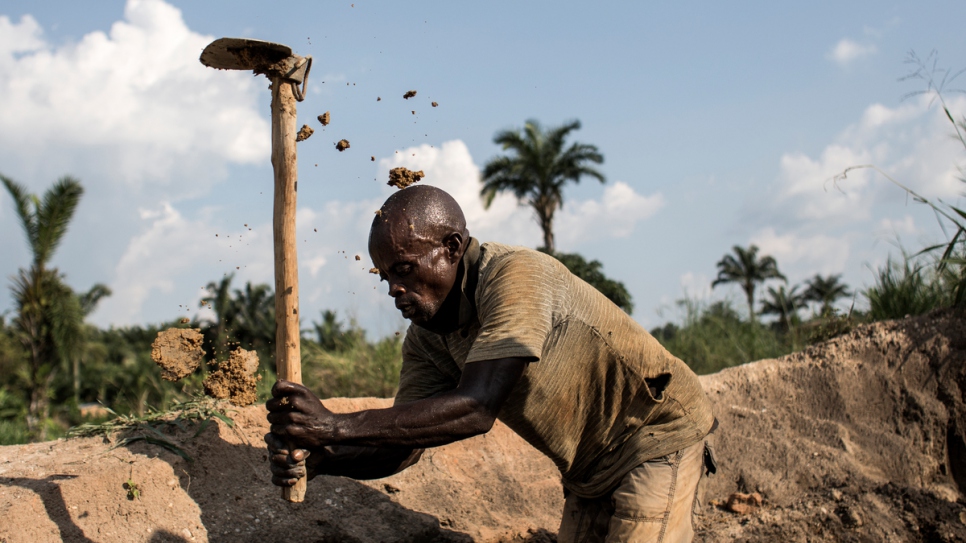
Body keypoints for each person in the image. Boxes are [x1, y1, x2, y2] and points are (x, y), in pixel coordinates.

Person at [265, 185, 717, 542]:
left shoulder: (515, 277)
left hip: (655, 435)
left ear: (452, 247)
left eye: (403, 270)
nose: (393, 291)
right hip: (589, 470)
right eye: (386, 278)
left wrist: (334, 426)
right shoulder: (428, 339)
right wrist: (323, 457)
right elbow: (401, 444)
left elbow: (477, 406)